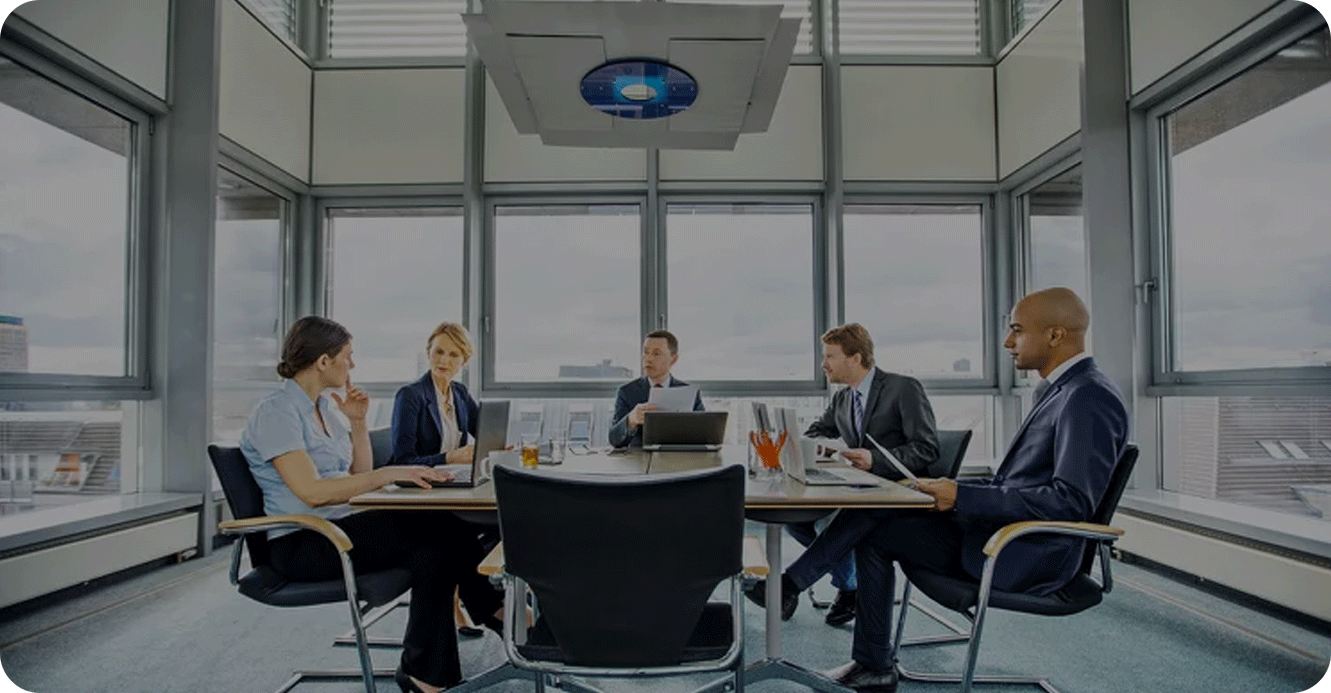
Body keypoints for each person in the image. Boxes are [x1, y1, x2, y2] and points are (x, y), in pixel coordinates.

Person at [821, 288, 1130, 692]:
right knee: (878, 515)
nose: (1007, 343)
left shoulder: (1088, 395)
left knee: (876, 525)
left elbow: (1070, 501)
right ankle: (871, 660)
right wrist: (950, 489)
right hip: (999, 534)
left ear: (1056, 336)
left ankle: (860, 651)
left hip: (1026, 555)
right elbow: (1014, 484)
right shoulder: (1055, 390)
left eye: (1017, 331)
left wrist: (963, 497)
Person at [240, 316, 503, 693]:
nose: (352, 365)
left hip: (341, 527)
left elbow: (355, 475)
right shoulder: (277, 412)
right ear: (323, 361)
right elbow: (313, 492)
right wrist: (389, 473)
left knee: (435, 551)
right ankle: (490, 609)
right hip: (304, 543)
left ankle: (425, 675)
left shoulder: (326, 410)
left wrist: (359, 425)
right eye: (348, 356)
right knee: (441, 528)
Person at [752, 323, 939, 625]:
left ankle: (791, 585)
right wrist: (823, 448)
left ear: (855, 358)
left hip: (900, 492)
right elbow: (816, 431)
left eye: (829, 356)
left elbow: (927, 449)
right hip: (862, 487)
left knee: (854, 515)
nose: (823, 364)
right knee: (796, 520)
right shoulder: (843, 399)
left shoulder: (903, 389)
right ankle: (849, 586)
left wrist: (874, 459)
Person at [390, 322, 481, 468]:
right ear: (428, 353)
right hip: (419, 484)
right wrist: (449, 458)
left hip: (451, 477)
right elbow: (403, 461)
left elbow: (483, 434)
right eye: (439, 351)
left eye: (453, 354)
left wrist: (500, 447)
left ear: (464, 361)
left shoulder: (460, 393)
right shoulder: (409, 395)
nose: (444, 360)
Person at [607, 330, 705, 448]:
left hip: (678, 460)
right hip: (640, 463)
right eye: (646, 352)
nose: (648, 359)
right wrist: (631, 420)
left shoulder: (689, 393)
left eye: (656, 354)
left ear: (673, 359)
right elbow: (614, 440)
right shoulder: (626, 392)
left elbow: (704, 435)